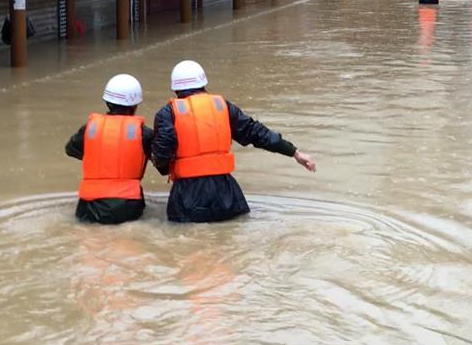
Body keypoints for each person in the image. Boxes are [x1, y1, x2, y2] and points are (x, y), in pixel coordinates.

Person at [152, 60, 316, 223]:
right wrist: (294, 152)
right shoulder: (222, 106)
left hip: (188, 196)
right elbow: (256, 132)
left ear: (175, 89)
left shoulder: (167, 114)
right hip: (227, 194)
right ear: (203, 83)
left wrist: (161, 165)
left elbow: (162, 153)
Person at [65, 74, 154, 224]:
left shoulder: (89, 128)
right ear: (135, 105)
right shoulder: (144, 134)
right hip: (126, 206)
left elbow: (70, 149)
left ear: (107, 102)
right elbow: (162, 161)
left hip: (88, 207)